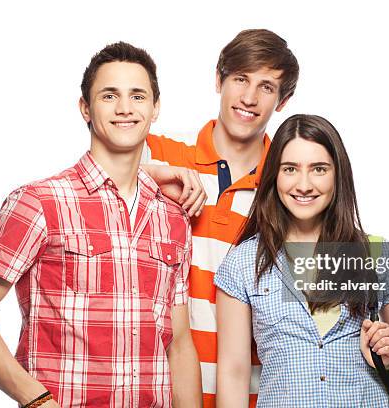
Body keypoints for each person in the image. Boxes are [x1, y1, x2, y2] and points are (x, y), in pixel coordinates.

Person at [0, 42, 203, 408]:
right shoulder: (39, 203)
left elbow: (178, 342)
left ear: (155, 107)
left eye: (138, 96)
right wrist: (36, 400)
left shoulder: (172, 217)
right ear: (85, 107)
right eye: (109, 95)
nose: (125, 108)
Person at [214, 114, 389, 407]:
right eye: (290, 169)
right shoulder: (242, 263)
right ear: (274, 175)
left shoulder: (375, 253)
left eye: (319, 169)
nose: (304, 184)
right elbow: (234, 372)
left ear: (338, 175)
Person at [144, 29, 299, 407]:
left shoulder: (290, 188)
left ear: (283, 100)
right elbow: (95, 179)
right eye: (240, 79)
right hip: (164, 393)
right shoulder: (163, 155)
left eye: (266, 86)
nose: (249, 97)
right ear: (219, 80)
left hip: (254, 396)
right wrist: (151, 173)